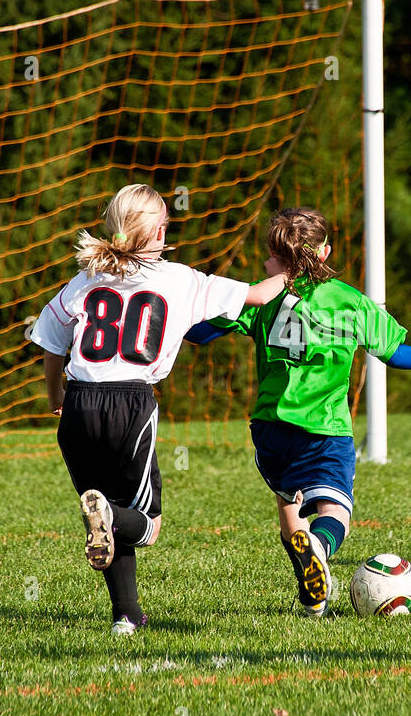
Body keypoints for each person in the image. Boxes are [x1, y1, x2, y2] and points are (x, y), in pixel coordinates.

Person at [30, 184, 288, 636]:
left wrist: (56, 397)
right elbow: (258, 296)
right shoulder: (178, 278)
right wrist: (298, 269)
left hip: (79, 404)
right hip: (130, 402)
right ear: (155, 230)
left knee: (106, 511)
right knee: (145, 524)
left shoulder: (85, 279)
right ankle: (111, 529)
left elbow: (50, 343)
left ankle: (125, 617)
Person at [185, 206, 411, 617]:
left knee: (289, 503)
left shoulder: (260, 295)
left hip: (269, 427)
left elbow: (200, 333)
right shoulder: (350, 302)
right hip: (324, 427)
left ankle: (313, 596)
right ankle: (320, 547)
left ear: (277, 257)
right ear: (326, 252)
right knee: (334, 511)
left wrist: (176, 307)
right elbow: (393, 353)